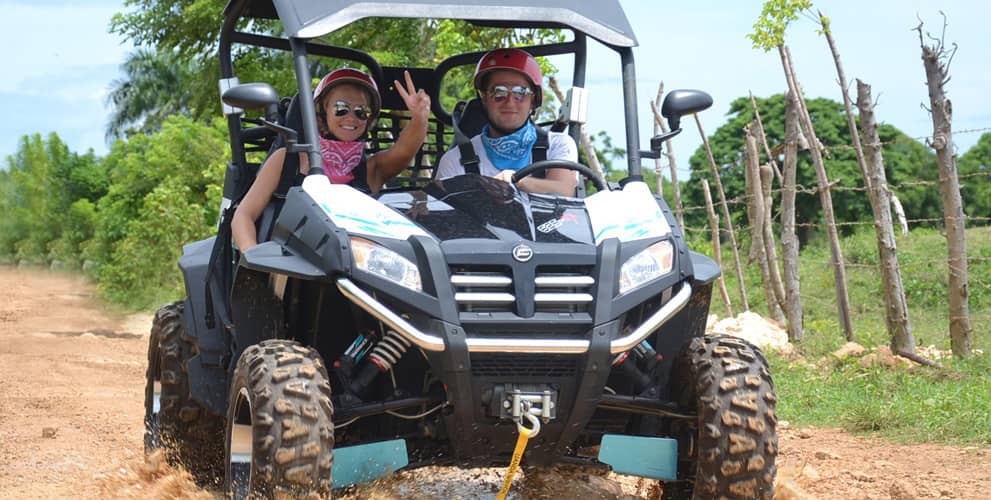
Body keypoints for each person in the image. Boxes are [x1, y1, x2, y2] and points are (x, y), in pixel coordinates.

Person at [233, 68, 431, 251]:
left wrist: (419, 119)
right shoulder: (287, 161)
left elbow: (404, 151)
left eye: (362, 111)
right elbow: (243, 217)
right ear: (321, 114)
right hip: (288, 272)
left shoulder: (371, 170)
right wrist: (257, 262)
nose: (351, 117)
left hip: (355, 275)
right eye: (341, 108)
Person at [434, 48, 578, 196]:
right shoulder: (454, 160)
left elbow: (564, 191)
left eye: (520, 92)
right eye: (498, 92)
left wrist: (517, 181)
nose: (509, 102)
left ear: (533, 99)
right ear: (484, 98)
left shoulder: (558, 145)